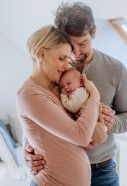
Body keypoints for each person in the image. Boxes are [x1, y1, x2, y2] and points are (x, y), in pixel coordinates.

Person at [25, 2, 127, 186]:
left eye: (83, 43)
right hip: (54, 171)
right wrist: (28, 149)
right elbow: (33, 111)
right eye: (70, 45)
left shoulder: (115, 69)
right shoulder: (53, 69)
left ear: (94, 32)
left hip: (100, 173)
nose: (76, 53)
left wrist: (112, 122)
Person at [16, 24, 107, 186]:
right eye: (61, 58)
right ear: (42, 54)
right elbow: (80, 136)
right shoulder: (29, 94)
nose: (67, 65)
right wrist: (94, 96)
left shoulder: (60, 88)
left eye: (68, 58)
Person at [59, 68, 107, 149]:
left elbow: (72, 107)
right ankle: (92, 142)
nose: (66, 87)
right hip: (92, 122)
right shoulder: (77, 92)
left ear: (81, 82)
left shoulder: (79, 92)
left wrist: (62, 96)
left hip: (94, 123)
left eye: (69, 83)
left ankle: (92, 141)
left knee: (97, 135)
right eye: (62, 87)